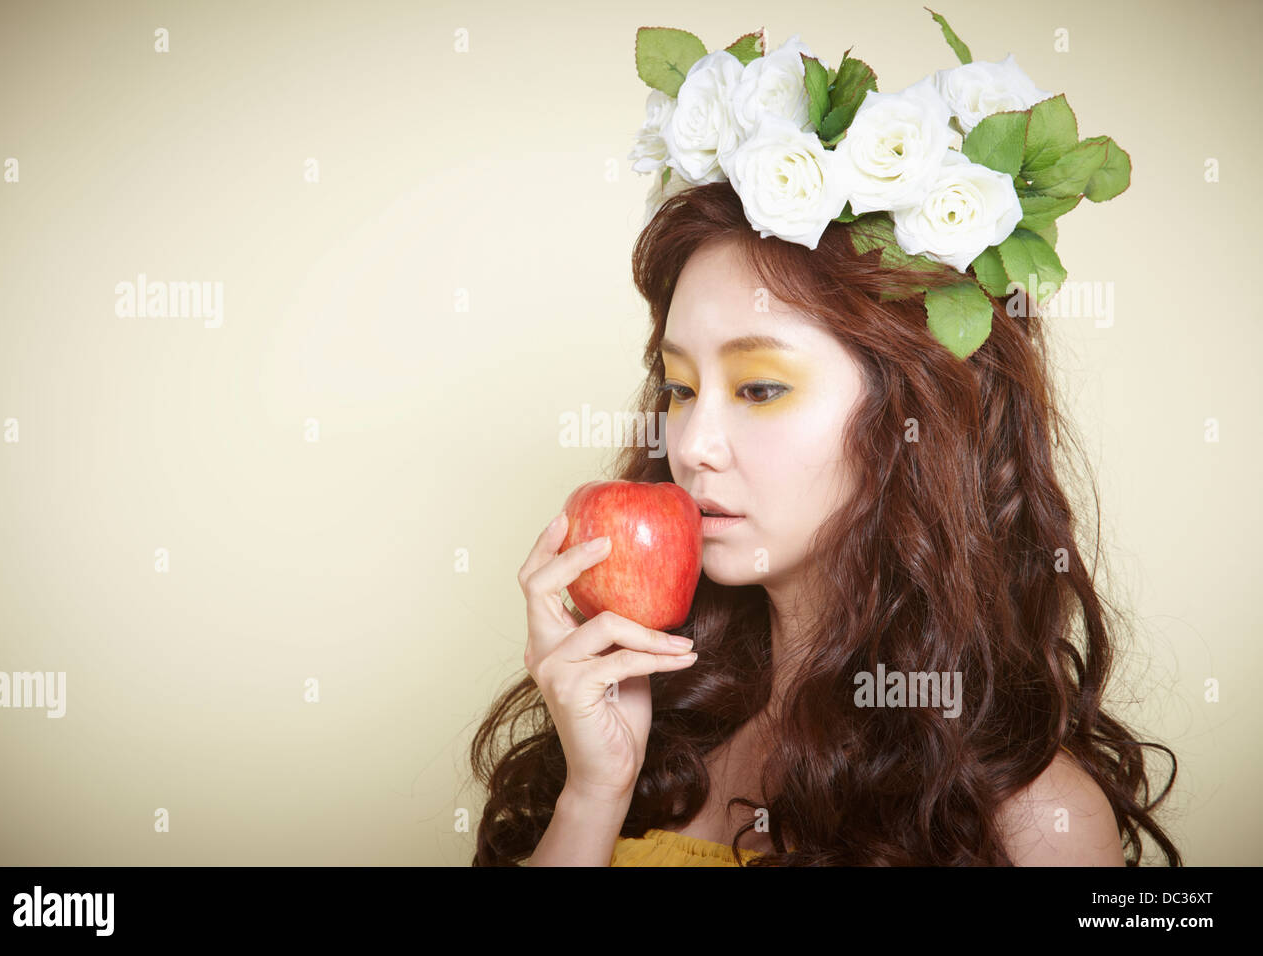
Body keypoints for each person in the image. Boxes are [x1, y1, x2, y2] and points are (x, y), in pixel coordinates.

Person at [469, 19, 1181, 867]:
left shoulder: (1028, 821)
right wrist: (594, 792)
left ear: (914, 417)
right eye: (680, 387)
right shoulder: (650, 721)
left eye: (760, 388)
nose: (692, 445)